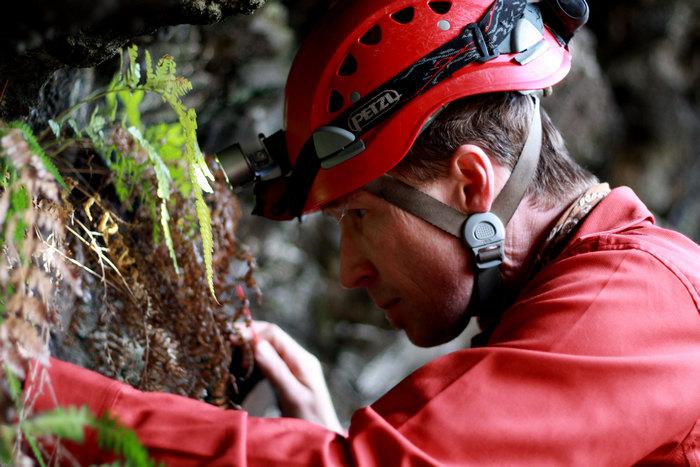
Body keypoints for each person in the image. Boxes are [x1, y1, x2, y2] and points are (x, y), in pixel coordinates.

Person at [25, 0, 700, 464]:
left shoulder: (641, 304)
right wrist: (328, 439)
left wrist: (33, 394)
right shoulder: (603, 298)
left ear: (472, 184)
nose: (350, 270)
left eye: (356, 214)